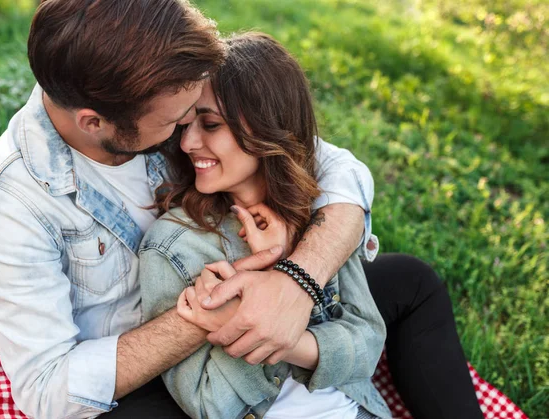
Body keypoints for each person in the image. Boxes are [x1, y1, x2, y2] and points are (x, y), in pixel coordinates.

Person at [0, 1, 378, 417]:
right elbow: (47, 391)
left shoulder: (164, 82)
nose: (184, 137)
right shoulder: (12, 201)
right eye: (176, 122)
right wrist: (211, 311)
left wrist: (297, 277)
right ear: (94, 123)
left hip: (245, 292)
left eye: (201, 119)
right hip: (147, 369)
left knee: (408, 282)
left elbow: (326, 163)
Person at [137, 32, 483, 419]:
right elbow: (207, 404)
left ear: (266, 126)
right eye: (187, 125)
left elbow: (367, 348)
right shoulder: (173, 247)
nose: (188, 143)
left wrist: (276, 317)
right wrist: (265, 319)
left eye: (211, 125)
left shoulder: (317, 217)